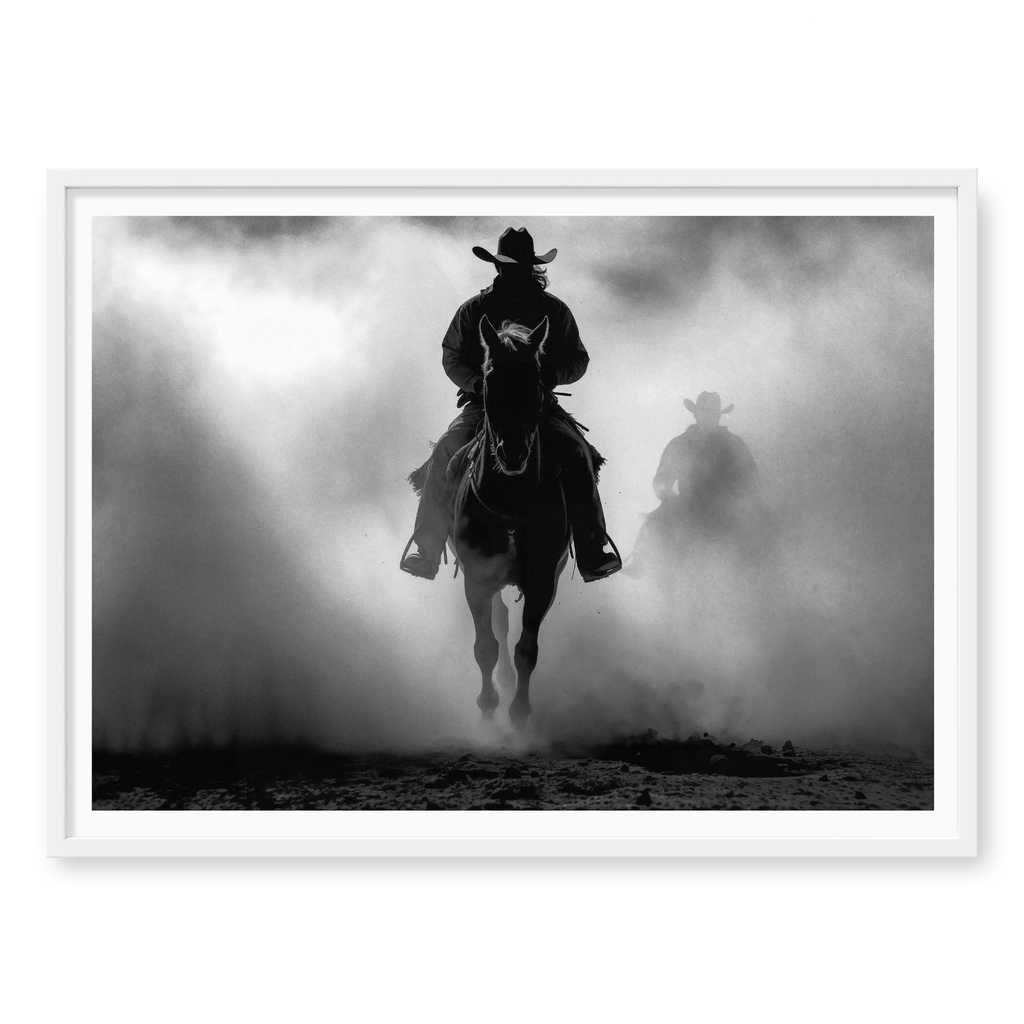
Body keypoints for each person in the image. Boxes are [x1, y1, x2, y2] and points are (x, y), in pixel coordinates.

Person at [401, 227, 622, 583]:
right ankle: (426, 549)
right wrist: (478, 385)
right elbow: (451, 356)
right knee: (445, 450)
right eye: (509, 266)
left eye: (520, 267)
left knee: (577, 453)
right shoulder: (474, 309)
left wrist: (551, 376)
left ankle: (592, 548)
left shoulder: (555, 311)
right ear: (498, 267)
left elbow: (578, 360)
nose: (514, 272)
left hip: (538, 407)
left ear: (530, 268)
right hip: (484, 405)